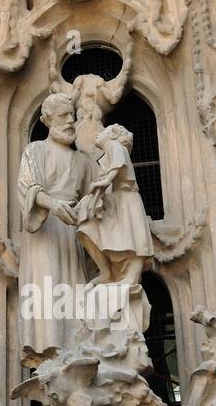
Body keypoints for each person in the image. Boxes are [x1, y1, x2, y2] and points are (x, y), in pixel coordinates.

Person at [16, 92, 94, 365]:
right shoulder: (35, 150)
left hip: (73, 236)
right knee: (47, 288)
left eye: (72, 116)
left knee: (75, 290)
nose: (70, 121)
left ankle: (78, 350)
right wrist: (52, 204)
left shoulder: (83, 161)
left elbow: (96, 200)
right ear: (48, 120)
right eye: (63, 116)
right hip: (44, 232)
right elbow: (27, 187)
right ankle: (49, 350)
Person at [76, 123, 154, 290]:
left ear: (112, 135)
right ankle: (107, 273)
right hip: (116, 199)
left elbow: (118, 165)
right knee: (88, 225)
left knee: (134, 239)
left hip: (126, 199)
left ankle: (130, 277)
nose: (98, 134)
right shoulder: (109, 151)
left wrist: (105, 181)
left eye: (103, 131)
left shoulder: (115, 146)